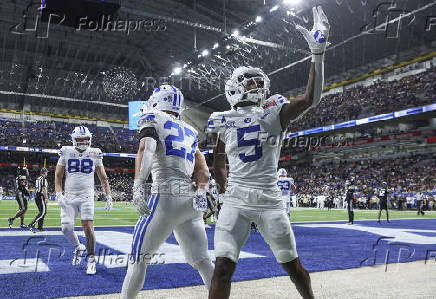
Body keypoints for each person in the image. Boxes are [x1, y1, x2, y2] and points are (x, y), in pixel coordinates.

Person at [207, 6, 330, 299]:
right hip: (236, 199)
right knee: (222, 268)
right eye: (249, 82)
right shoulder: (224, 119)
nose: (256, 86)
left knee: (293, 267)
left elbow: (311, 98)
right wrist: (224, 190)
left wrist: (318, 55)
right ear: (235, 88)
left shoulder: (275, 113)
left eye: (258, 82)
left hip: (269, 200)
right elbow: (218, 160)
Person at [120, 85, 215, 299]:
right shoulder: (190, 130)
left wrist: (138, 185)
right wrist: (201, 193)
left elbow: (146, 148)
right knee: (202, 261)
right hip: (190, 200)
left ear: (157, 101)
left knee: (137, 259)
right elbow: (204, 171)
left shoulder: (152, 116)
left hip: (165, 195)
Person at [55, 126, 113, 275]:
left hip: (87, 195)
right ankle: (78, 247)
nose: (84, 141)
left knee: (88, 228)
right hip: (69, 195)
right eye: (80, 139)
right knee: (66, 229)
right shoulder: (66, 151)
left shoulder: (95, 152)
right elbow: (58, 175)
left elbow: (103, 177)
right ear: (74, 140)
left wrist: (108, 196)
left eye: (86, 139)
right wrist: (59, 193)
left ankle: (91, 259)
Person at [29, 168, 49, 232]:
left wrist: (36, 196)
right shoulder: (43, 179)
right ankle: (32, 224)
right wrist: (46, 198)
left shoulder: (38, 179)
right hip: (41, 196)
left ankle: (40, 227)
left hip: (37, 196)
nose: (47, 173)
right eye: (46, 172)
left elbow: (35, 189)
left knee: (42, 212)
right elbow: (43, 189)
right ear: (44, 172)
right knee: (43, 212)